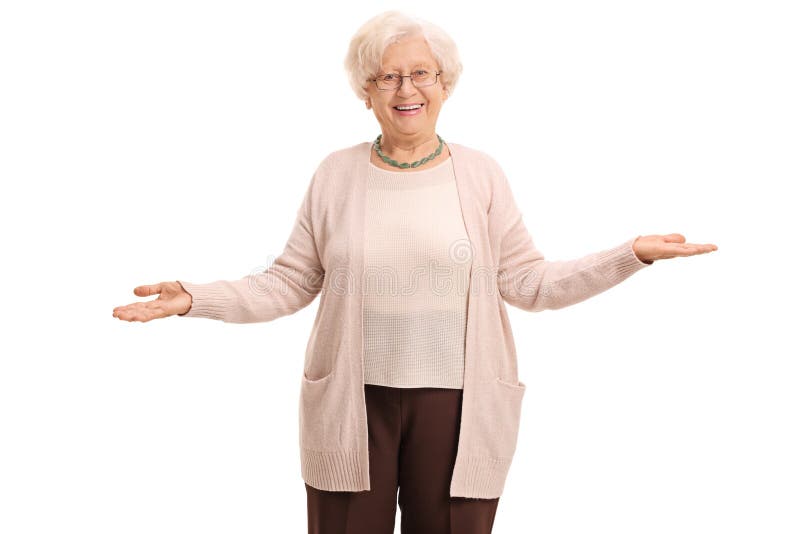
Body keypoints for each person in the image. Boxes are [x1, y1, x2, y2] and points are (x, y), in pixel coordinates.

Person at [112, 10, 718, 534]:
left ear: (445, 84)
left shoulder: (480, 175)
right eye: (387, 76)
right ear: (366, 91)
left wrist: (628, 255)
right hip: (351, 402)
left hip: (456, 403)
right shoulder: (335, 174)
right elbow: (289, 281)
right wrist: (195, 298)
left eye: (420, 73)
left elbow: (529, 283)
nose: (406, 88)